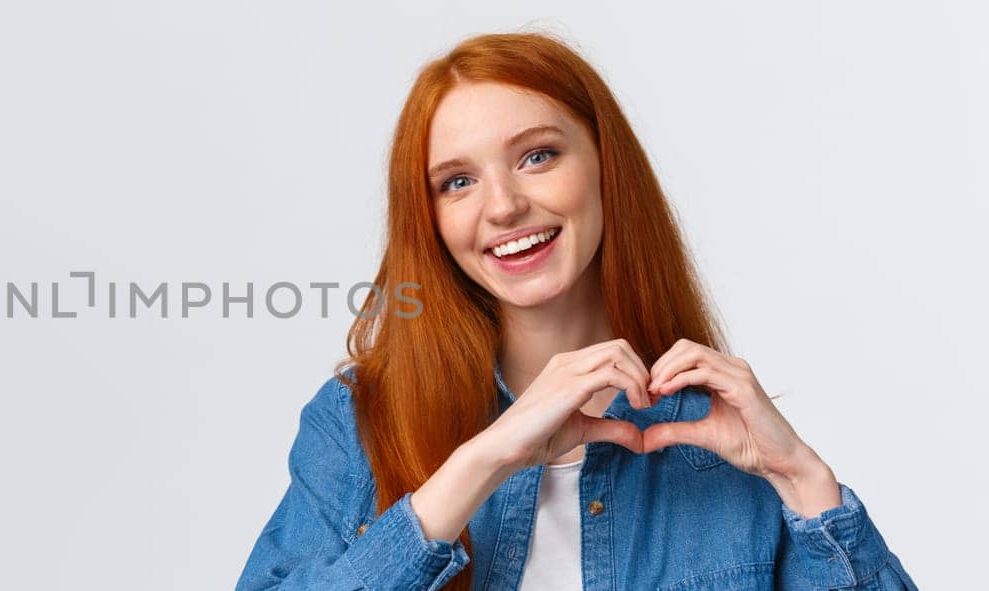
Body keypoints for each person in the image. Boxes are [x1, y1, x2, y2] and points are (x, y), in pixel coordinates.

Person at [234, 32, 917, 591]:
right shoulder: (356, 420)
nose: (502, 206)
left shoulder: (723, 442)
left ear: (604, 167)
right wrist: (482, 462)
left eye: (537, 155)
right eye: (458, 181)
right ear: (431, 219)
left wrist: (803, 478)